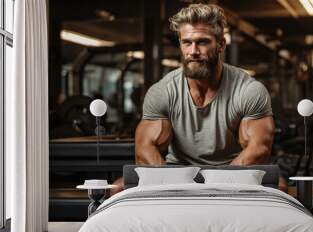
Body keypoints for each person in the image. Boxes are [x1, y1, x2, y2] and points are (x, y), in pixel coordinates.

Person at [112, 3, 286, 192]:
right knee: (117, 188)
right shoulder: (163, 91)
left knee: (281, 187)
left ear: (220, 44)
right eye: (186, 42)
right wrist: (175, 187)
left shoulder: (248, 90)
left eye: (202, 42)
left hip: (234, 172)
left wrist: (218, 185)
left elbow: (258, 150)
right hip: (176, 173)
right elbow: (145, 150)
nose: (193, 51)